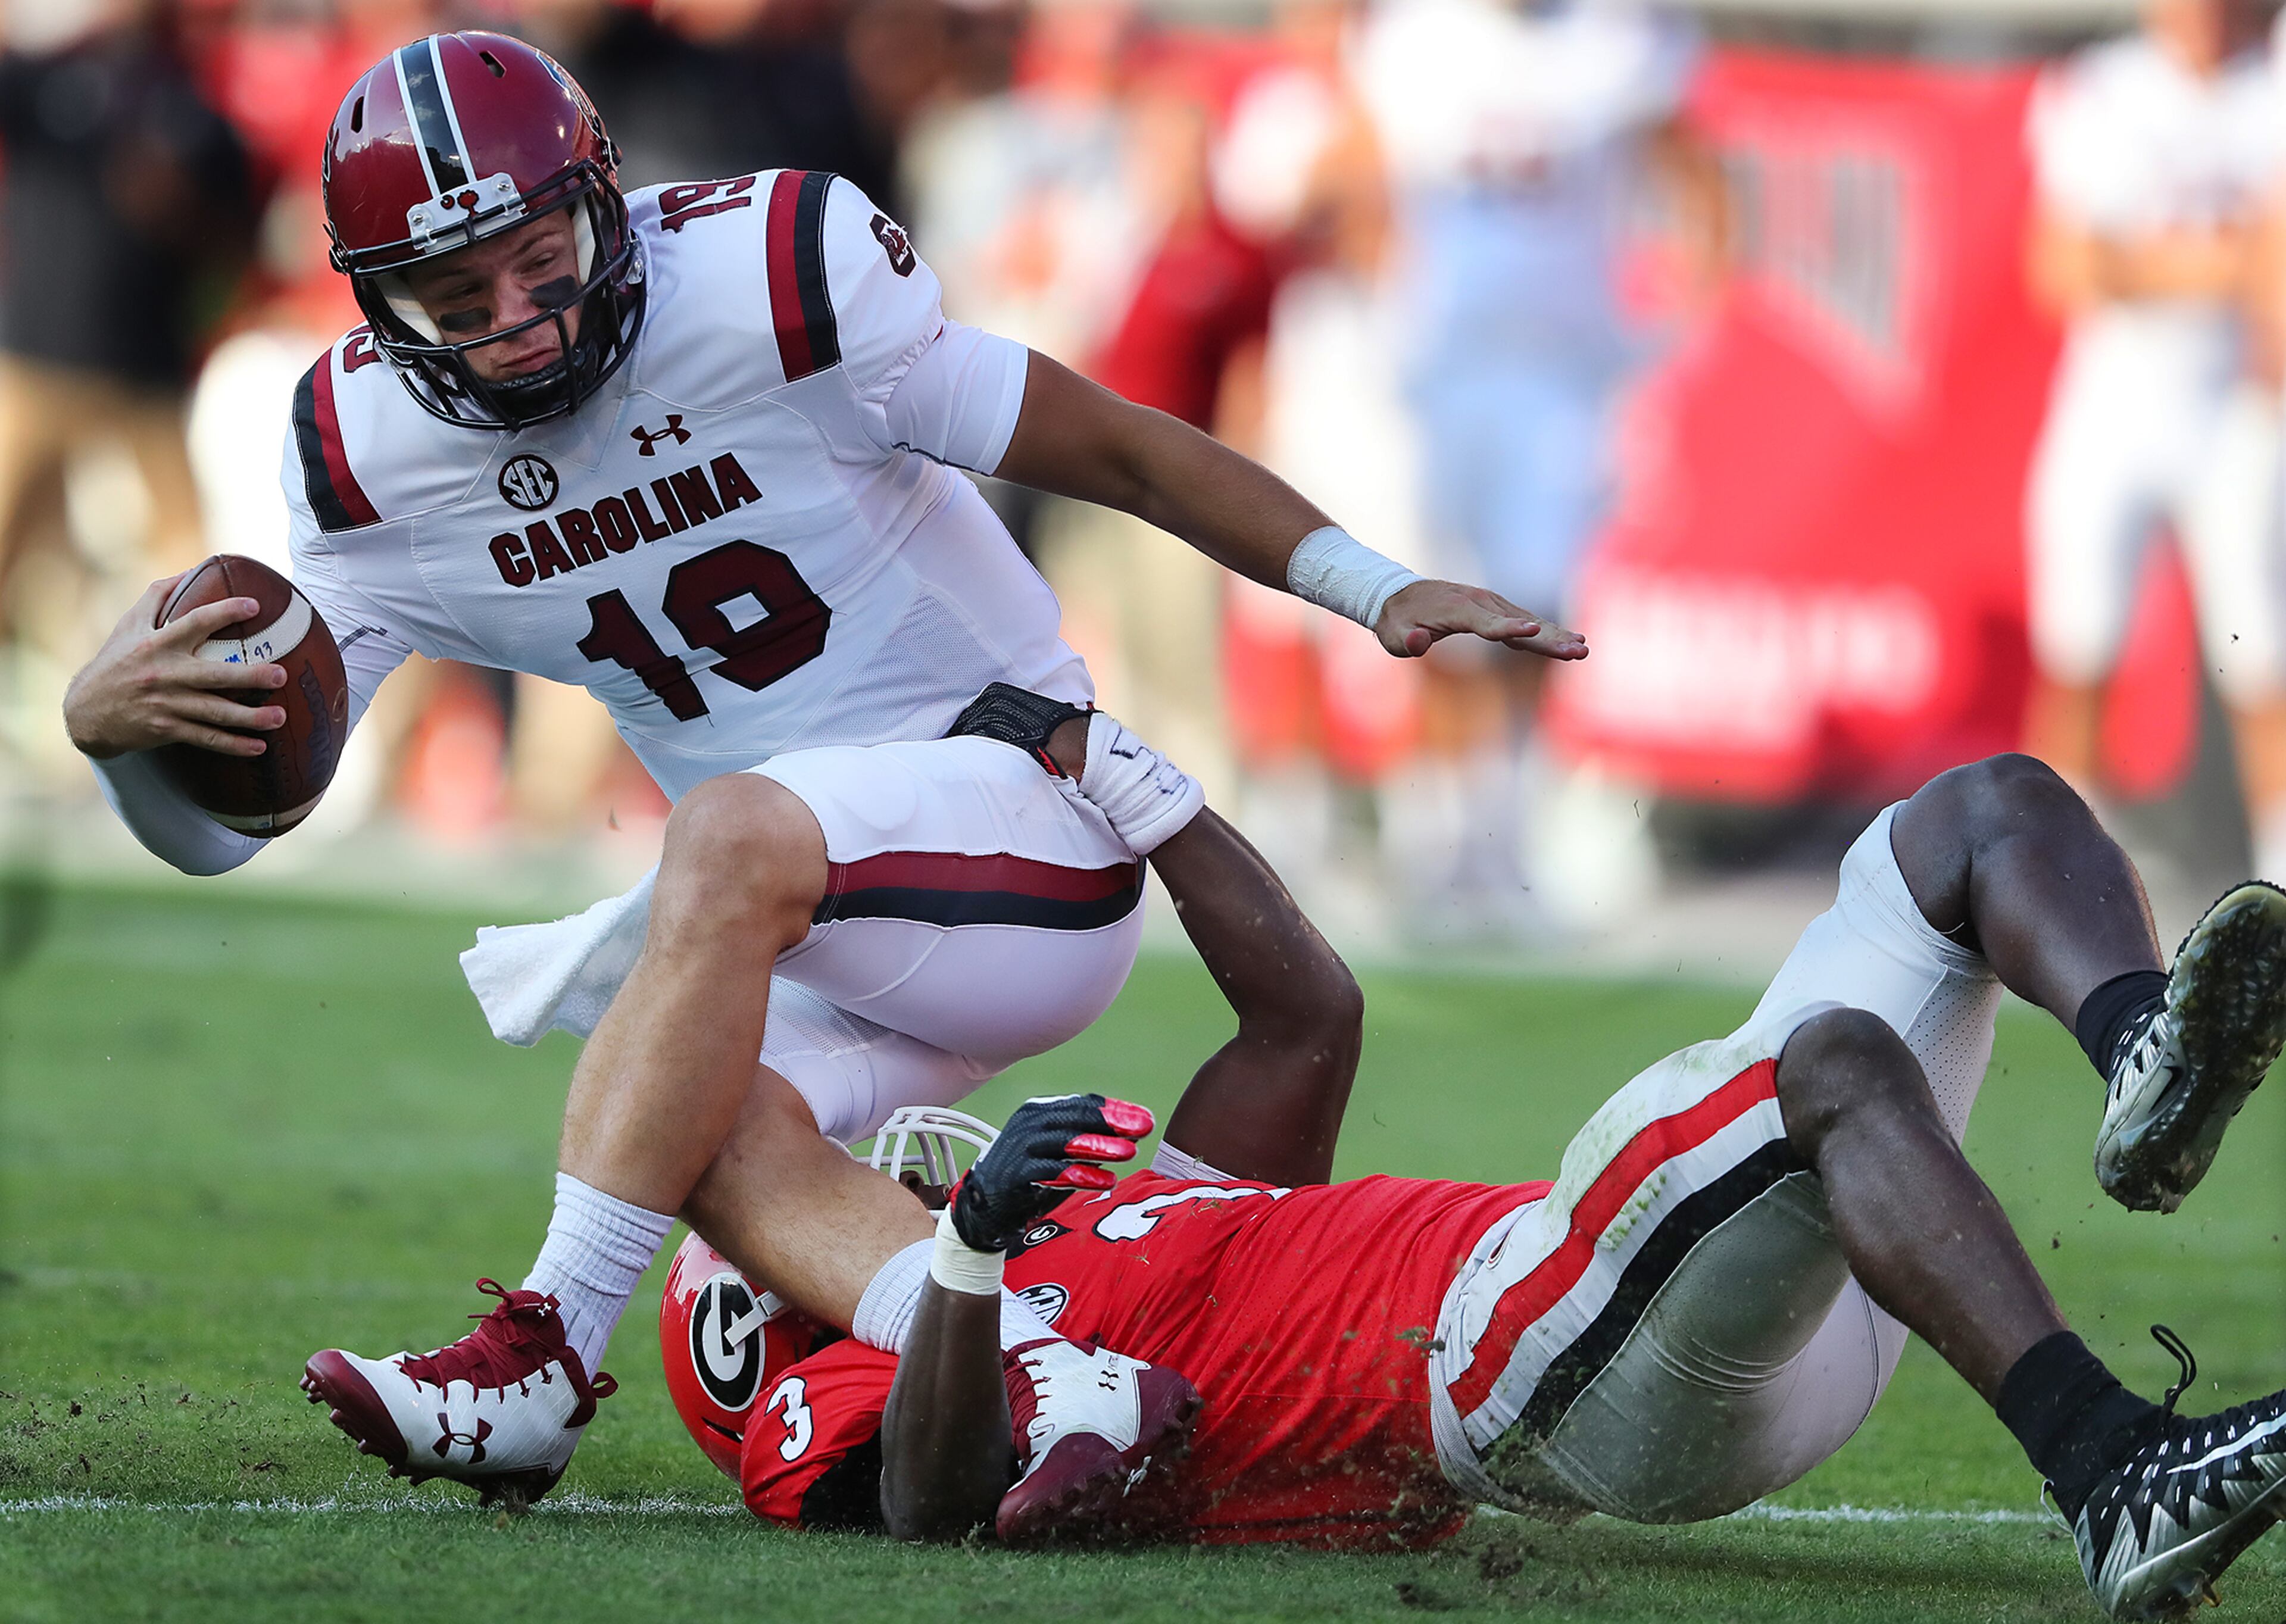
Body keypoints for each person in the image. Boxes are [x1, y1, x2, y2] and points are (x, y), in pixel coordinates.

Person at [58, 31, 1580, 1515]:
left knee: (720, 837)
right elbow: (237, 829)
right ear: (381, 308)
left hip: (1023, 819)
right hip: (800, 910)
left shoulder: (773, 278)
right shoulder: (364, 453)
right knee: (690, 1123)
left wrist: (1369, 584)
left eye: (542, 258)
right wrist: (116, 728)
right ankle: (1058, 1371)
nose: (519, 315)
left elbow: (1111, 448)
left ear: (606, 202)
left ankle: (543, 1353)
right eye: (460, 295)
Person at [673, 745, 2286, 1620]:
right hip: (1517, 1370)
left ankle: (2146, 1053)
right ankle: (2113, 1474)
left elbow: (1306, 1014)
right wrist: (957, 1258)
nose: (863, 1174)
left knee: (1976, 817)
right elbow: (929, 1506)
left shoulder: (1090, 1228)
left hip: (1679, 1299)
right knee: (1834, 1064)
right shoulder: (865, 1367)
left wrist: (1122, 777)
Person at [2022, 0, 2286, 873]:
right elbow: (2066, 266)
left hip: (2239, 411)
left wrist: (2150, 260)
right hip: (2115, 406)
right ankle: (2039, 883)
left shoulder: (2271, 83)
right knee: (2078, 653)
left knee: (2263, 664)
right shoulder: (2104, 88)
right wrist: (2222, 259)